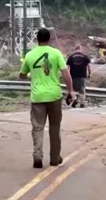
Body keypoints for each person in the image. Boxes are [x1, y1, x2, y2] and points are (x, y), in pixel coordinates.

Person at [19, 28, 73, 169]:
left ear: (37, 39)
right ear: (49, 39)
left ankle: (37, 156)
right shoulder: (56, 53)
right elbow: (66, 73)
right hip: (54, 96)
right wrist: (70, 91)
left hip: (37, 97)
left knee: (37, 127)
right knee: (55, 128)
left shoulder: (30, 55)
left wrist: (30, 76)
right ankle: (55, 158)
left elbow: (22, 75)